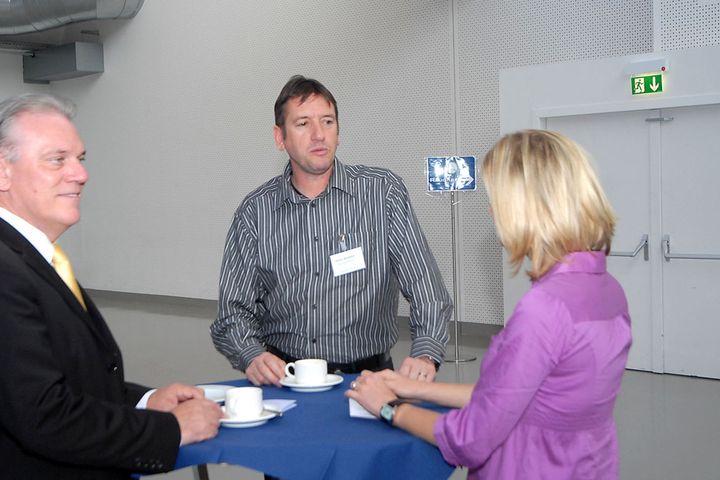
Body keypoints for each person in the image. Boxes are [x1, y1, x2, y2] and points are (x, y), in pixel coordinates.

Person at [0, 93, 222, 479]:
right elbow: (46, 416)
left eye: (79, 159)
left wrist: (147, 400)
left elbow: (70, 384)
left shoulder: (23, 258)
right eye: (57, 159)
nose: (80, 174)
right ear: (0, 171)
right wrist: (173, 429)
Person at [346, 129, 632, 479]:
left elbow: (471, 438)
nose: (491, 208)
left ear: (529, 206)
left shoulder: (544, 310)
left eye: (498, 197)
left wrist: (389, 408)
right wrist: (416, 388)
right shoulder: (607, 289)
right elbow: (514, 397)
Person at [210, 75, 451, 386]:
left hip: (367, 380)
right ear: (279, 137)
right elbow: (233, 311)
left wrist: (425, 353)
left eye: (327, 121)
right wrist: (251, 355)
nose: (318, 134)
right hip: (286, 382)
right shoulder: (254, 213)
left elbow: (426, 289)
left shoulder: (382, 194)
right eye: (302, 124)